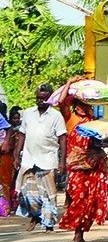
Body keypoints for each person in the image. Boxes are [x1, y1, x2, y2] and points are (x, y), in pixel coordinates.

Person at [57, 76, 108, 242]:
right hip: (77, 167)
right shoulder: (72, 120)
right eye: (82, 104)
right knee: (78, 199)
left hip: (93, 167)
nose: (86, 108)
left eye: (88, 105)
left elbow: (101, 142)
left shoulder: (95, 123)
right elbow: (61, 103)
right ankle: (76, 232)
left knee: (91, 201)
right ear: (76, 106)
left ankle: (81, 233)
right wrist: (69, 83)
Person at [14, 84, 67, 232]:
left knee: (48, 194)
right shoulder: (28, 113)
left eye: (43, 98)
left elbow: (62, 138)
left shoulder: (56, 116)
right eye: (38, 98)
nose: (40, 101)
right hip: (29, 159)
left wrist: (62, 162)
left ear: (49, 98)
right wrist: (17, 156)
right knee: (27, 193)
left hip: (48, 159)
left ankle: (49, 223)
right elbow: (22, 135)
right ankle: (35, 216)